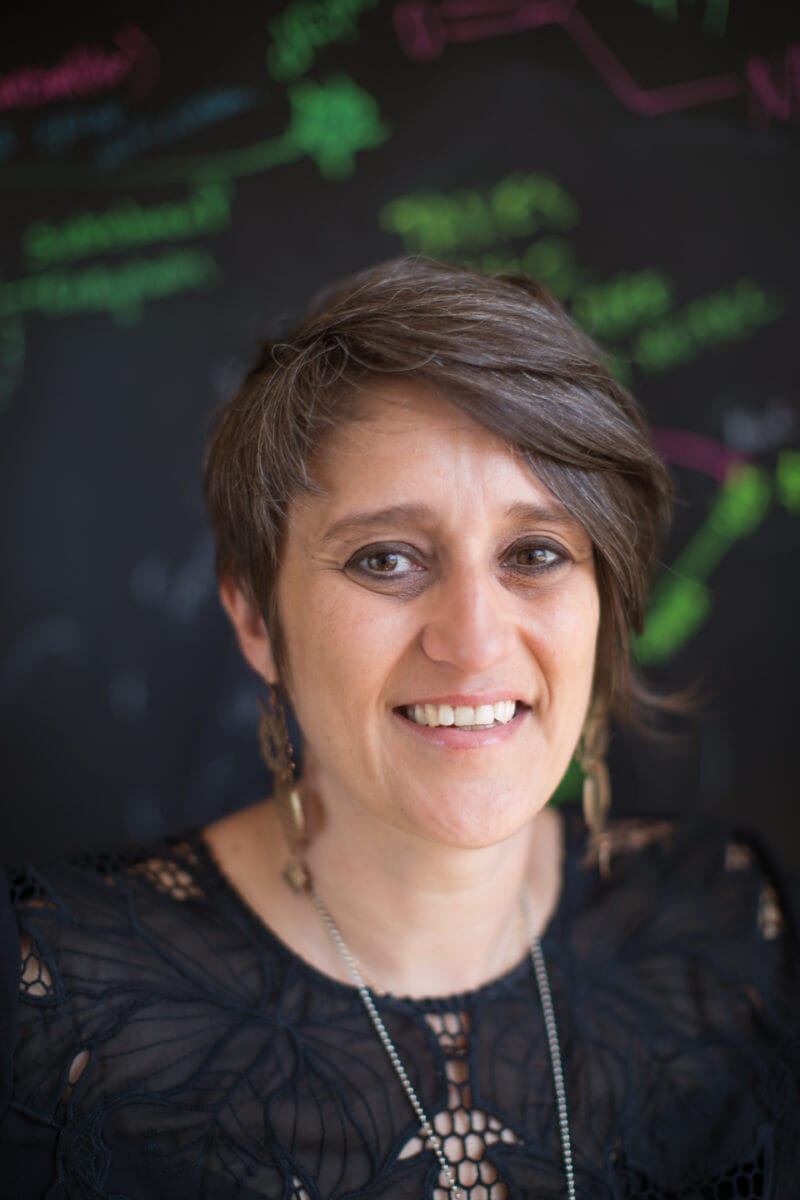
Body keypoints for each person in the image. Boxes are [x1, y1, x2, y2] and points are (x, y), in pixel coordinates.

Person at [1, 257, 798, 1199]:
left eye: (535, 553)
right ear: (258, 620)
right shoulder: (51, 998)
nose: (472, 641)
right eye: (386, 559)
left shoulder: (735, 921)